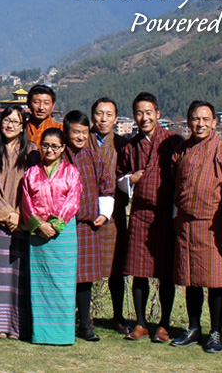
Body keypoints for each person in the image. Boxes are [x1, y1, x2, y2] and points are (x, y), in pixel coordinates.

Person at [170, 101, 222, 353]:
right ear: (188, 122)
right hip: (186, 223)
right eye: (195, 119)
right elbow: (176, 184)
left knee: (215, 281)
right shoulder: (181, 150)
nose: (200, 124)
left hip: (212, 224)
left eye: (205, 119)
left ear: (214, 122)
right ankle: (193, 327)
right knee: (191, 279)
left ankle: (216, 331)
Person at [116, 92, 184, 343]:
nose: (144, 117)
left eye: (148, 112)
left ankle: (164, 324)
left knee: (165, 272)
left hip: (167, 213)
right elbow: (120, 177)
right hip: (140, 213)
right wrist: (129, 181)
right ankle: (141, 323)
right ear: (133, 116)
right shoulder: (130, 145)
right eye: (138, 113)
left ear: (158, 113)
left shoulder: (174, 141)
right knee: (138, 271)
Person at [21, 127, 80, 345]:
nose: (49, 150)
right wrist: (38, 225)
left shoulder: (71, 171)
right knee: (40, 286)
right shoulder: (31, 173)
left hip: (62, 235)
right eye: (45, 145)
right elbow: (26, 201)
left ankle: (63, 335)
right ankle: (41, 334)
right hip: (38, 234)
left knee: (63, 285)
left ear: (63, 148)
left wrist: (54, 225)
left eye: (55, 146)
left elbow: (73, 199)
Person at [0, 104, 32, 340]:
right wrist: (6, 212)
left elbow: (35, 188)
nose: (10, 125)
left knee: (19, 277)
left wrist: (20, 214)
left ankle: (17, 326)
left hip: (22, 222)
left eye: (16, 122)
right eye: (7, 121)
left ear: (23, 127)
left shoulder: (31, 152)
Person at [62, 111, 114, 342]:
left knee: (84, 280)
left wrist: (104, 213)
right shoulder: (59, 155)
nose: (81, 136)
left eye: (84, 132)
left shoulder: (93, 157)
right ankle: (62, 323)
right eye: (76, 132)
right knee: (63, 276)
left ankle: (85, 324)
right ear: (66, 132)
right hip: (61, 226)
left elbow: (107, 185)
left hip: (86, 226)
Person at [89, 97, 132, 334]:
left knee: (116, 269)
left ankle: (118, 316)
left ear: (116, 118)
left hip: (114, 214)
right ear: (92, 116)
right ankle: (84, 314)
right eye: (99, 114)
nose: (103, 119)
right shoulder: (82, 142)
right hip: (85, 213)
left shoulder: (124, 145)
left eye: (108, 114)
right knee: (83, 267)